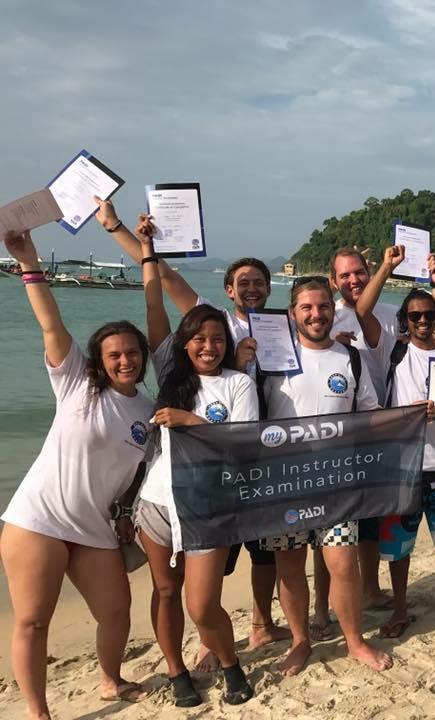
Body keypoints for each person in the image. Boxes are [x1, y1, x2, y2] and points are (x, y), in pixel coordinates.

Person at [96, 199, 289, 665]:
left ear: (268, 289)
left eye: (259, 282)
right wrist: (125, 233)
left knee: (264, 552)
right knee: (211, 567)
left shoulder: (284, 326)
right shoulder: (212, 326)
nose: (252, 287)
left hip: (257, 451)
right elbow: (164, 286)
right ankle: (210, 640)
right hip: (203, 476)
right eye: (242, 281)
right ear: (227, 289)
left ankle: (261, 623)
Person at [1, 229, 153, 718]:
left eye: (132, 352)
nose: (125, 360)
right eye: (114, 355)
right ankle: (39, 711)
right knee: (33, 622)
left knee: (115, 611)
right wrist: (28, 262)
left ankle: (110, 680)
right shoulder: (76, 383)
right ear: (99, 360)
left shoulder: (148, 411)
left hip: (93, 530)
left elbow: (138, 471)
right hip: (36, 523)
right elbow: (51, 324)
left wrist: (128, 511)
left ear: (142, 357)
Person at [132, 217, 256, 706]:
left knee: (203, 604)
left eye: (218, 340)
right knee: (165, 593)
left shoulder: (238, 384)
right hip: (157, 504)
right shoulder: (169, 374)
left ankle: (229, 664)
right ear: (184, 343)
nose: (209, 347)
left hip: (211, 504)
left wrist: (191, 422)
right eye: (200, 339)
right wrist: (146, 249)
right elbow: (153, 306)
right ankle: (176, 671)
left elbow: (244, 444)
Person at [261, 277, 393, 673]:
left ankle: (355, 642)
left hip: (338, 481)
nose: (316, 314)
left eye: (322, 307)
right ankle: (301, 641)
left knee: (341, 564)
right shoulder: (270, 360)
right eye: (307, 308)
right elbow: (248, 417)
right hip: (285, 483)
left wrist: (415, 415)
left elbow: (368, 414)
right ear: (292, 313)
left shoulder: (348, 358)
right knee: (289, 564)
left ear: (331, 311)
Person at [356, 247, 435, 638]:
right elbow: (363, 313)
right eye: (416, 316)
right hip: (401, 467)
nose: (424, 321)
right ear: (405, 322)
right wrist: (386, 267)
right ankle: (399, 609)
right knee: (398, 548)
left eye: (430, 315)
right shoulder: (392, 352)